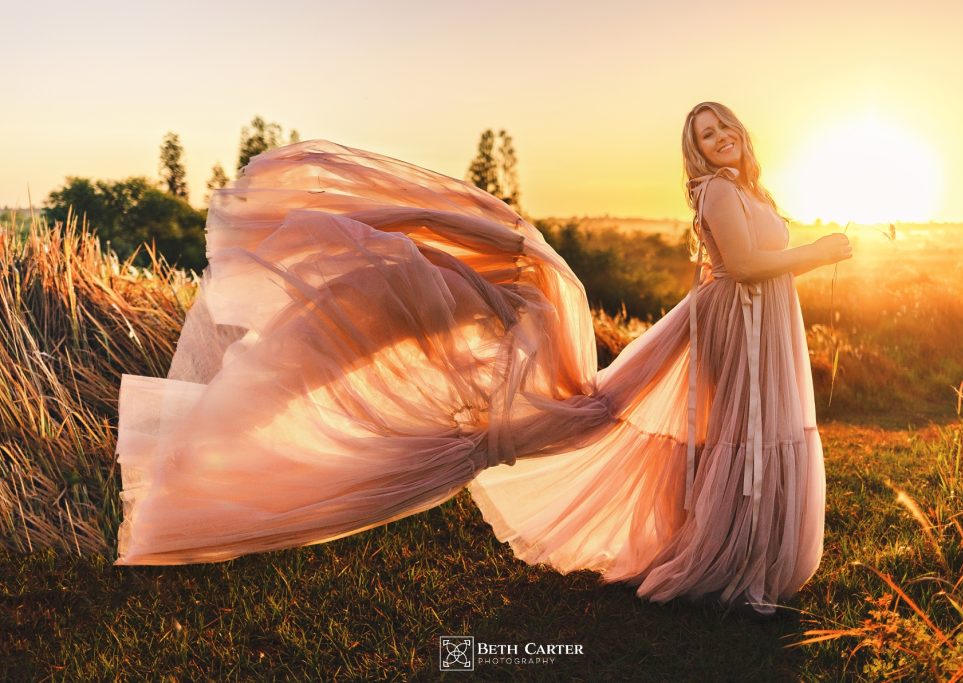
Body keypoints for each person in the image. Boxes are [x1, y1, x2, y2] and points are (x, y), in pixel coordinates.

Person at [113, 102, 851, 618]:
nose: (718, 137)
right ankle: (733, 568)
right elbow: (751, 265)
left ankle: (751, 564)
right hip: (740, 319)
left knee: (749, 432)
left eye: (723, 125)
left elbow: (753, 262)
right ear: (696, 153)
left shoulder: (746, 186)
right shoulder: (718, 191)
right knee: (738, 435)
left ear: (741, 133)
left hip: (756, 325)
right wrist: (821, 250)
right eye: (704, 132)